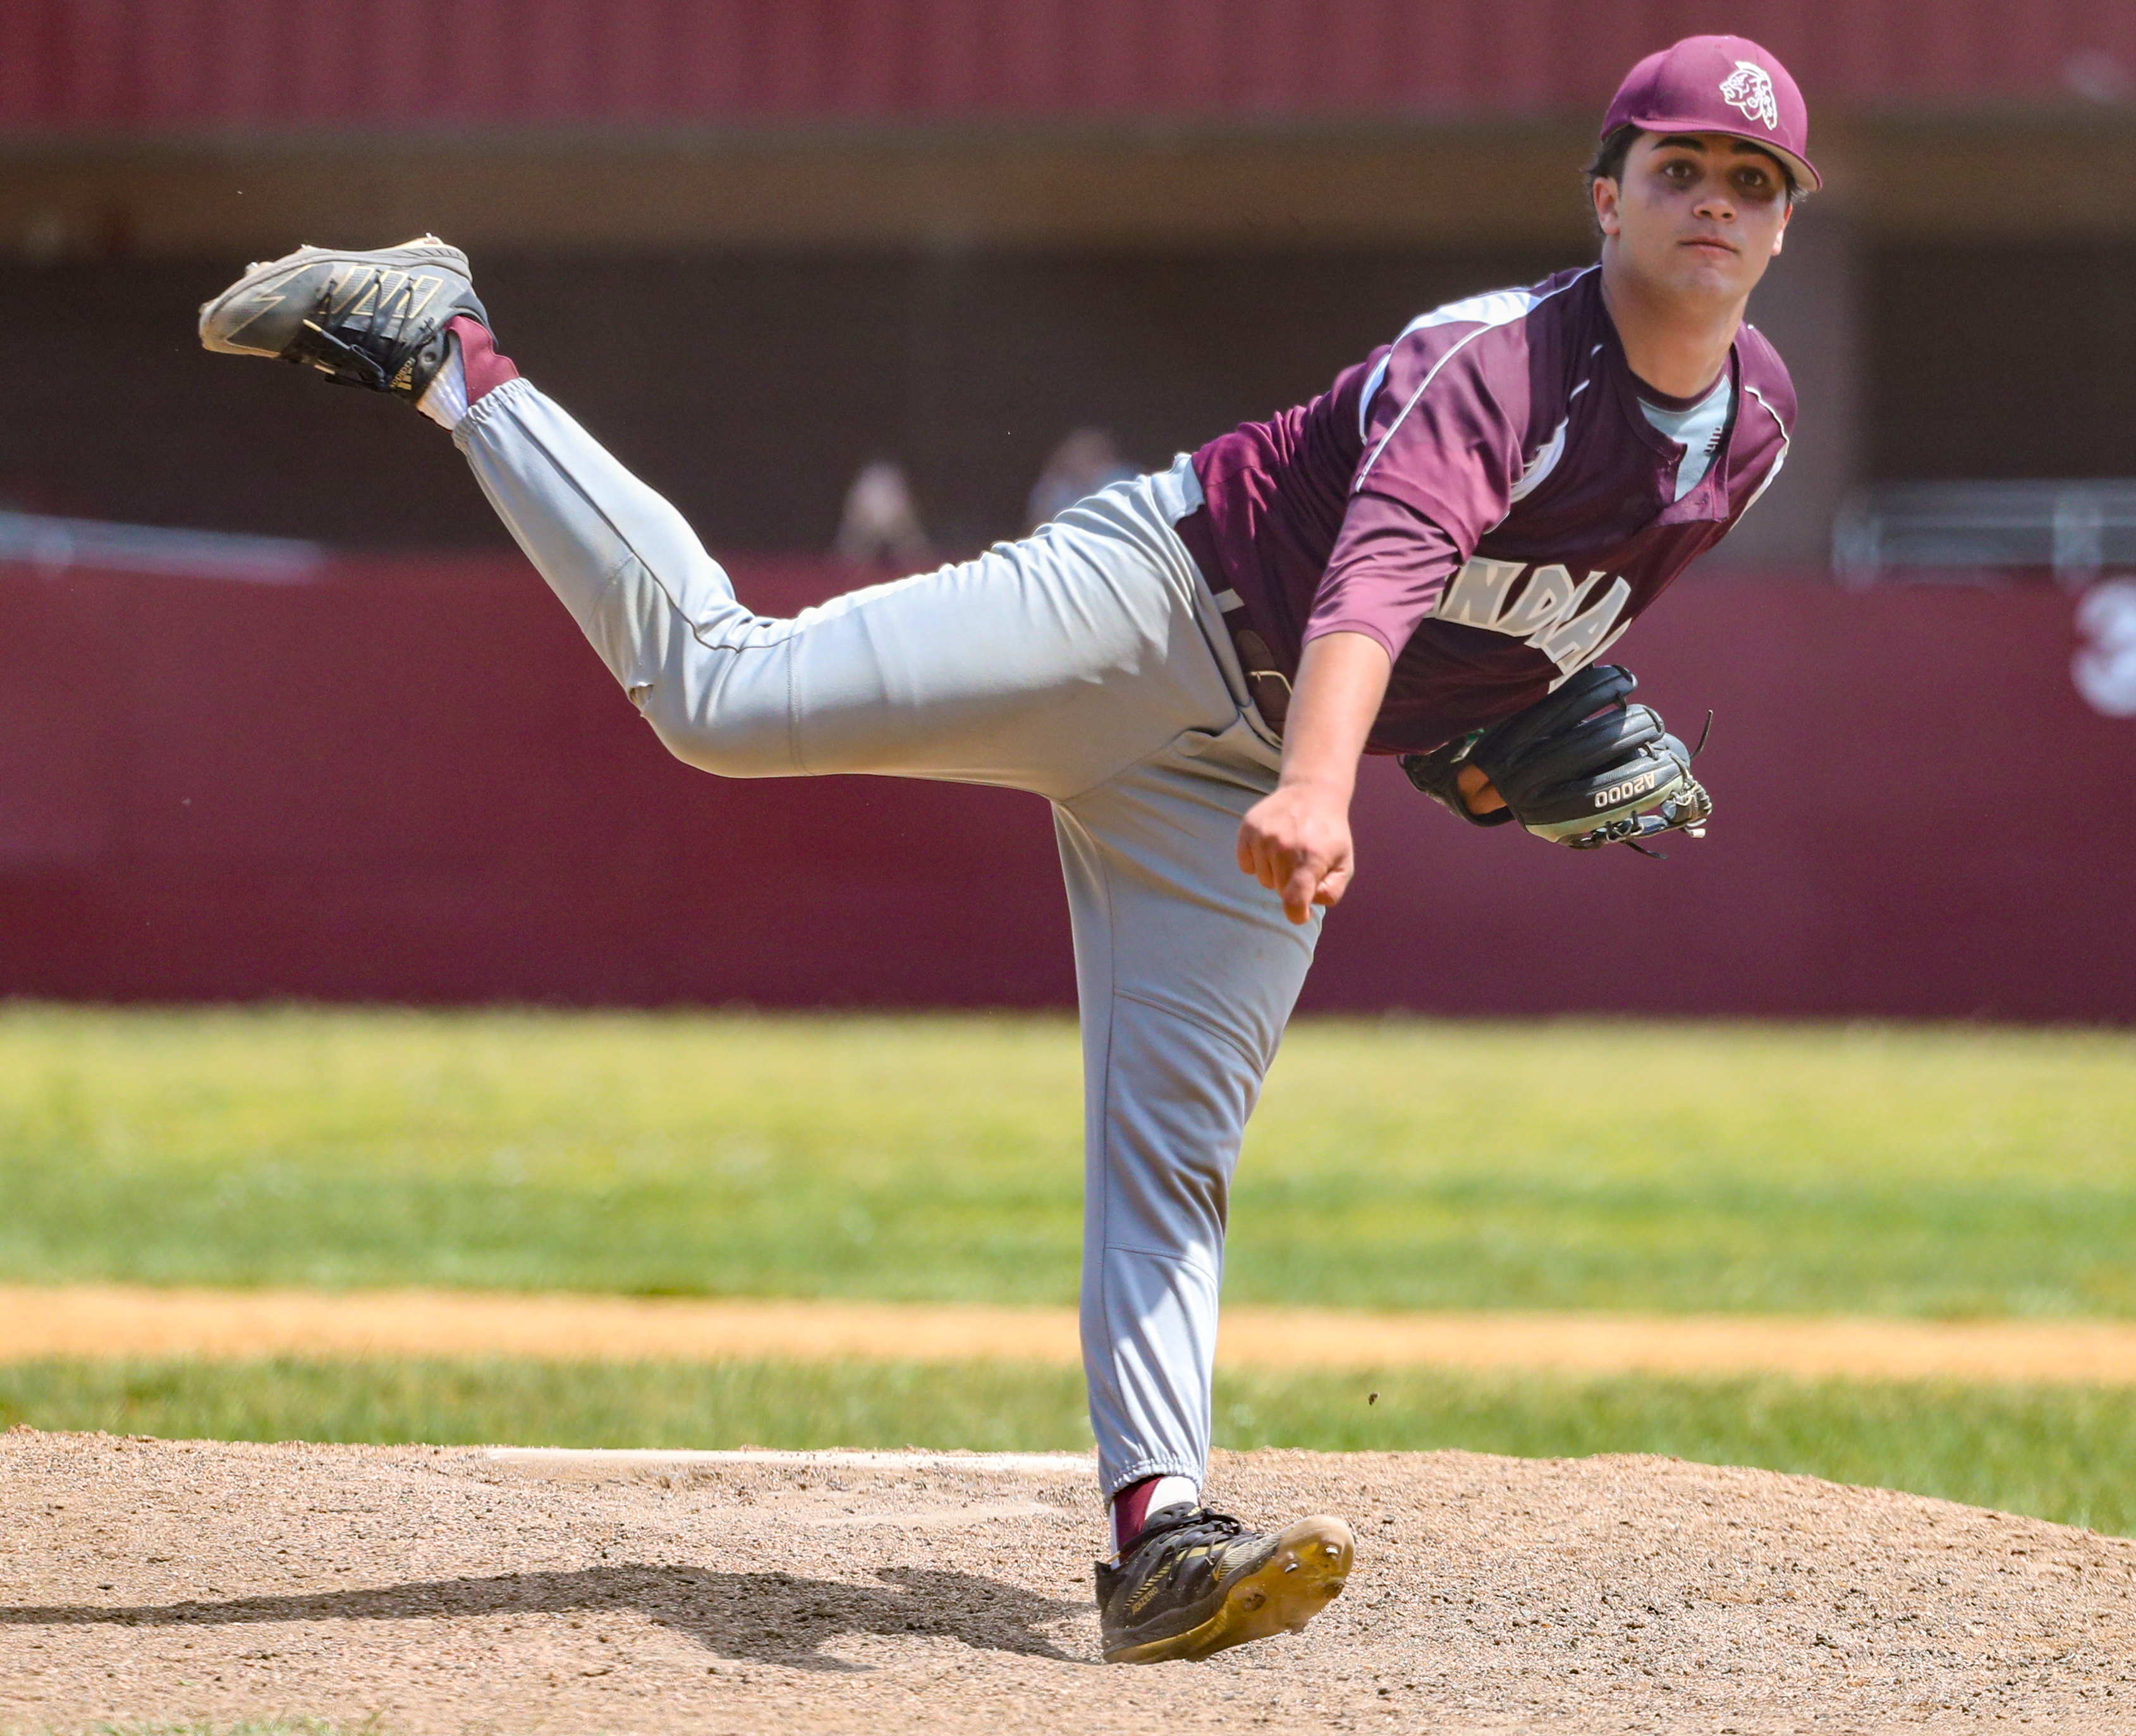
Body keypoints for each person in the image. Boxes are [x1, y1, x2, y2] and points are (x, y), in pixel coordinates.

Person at [197, 32, 1810, 1667]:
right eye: (1678, 167)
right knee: (722, 693)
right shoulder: (1504, 363)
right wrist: (1329, 784)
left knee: (1173, 1152)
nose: (1713, 202)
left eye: (1751, 183)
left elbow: (1507, 616)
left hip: (1236, 778)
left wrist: (1458, 738)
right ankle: (445, 347)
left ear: (1782, 228)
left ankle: (1158, 1538)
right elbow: (1381, 570)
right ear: (1604, 194)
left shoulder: (1748, 429)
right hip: (1148, 605)